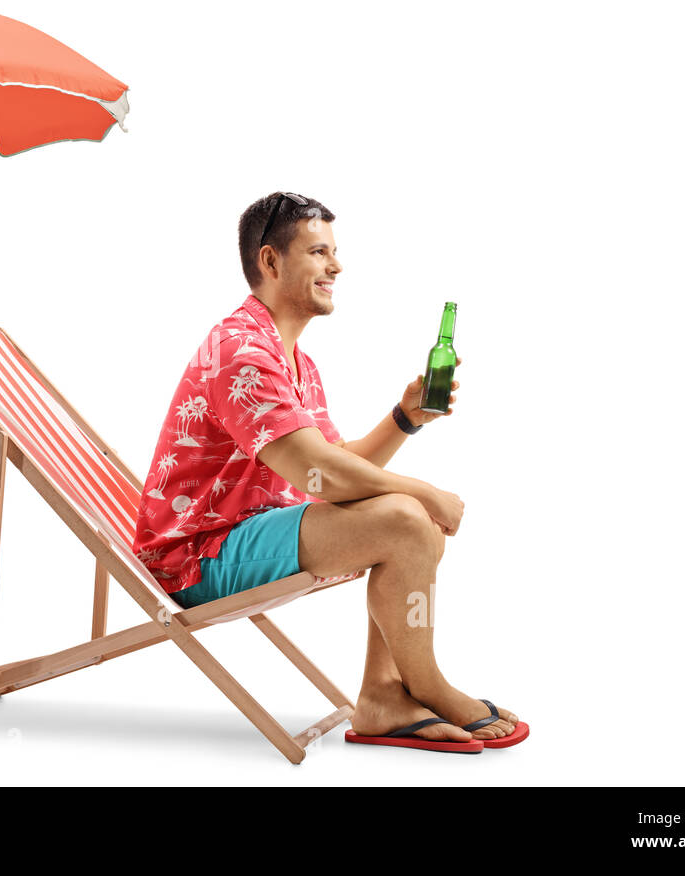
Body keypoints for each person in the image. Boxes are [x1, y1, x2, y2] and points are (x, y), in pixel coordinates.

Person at [131, 191, 526, 750]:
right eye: (319, 252)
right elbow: (324, 476)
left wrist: (404, 418)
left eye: (333, 252)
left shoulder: (293, 359)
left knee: (414, 525)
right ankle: (427, 683)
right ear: (271, 262)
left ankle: (384, 697)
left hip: (249, 530)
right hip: (197, 556)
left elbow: (335, 469)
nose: (336, 266)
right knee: (408, 518)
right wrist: (425, 492)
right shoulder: (242, 350)